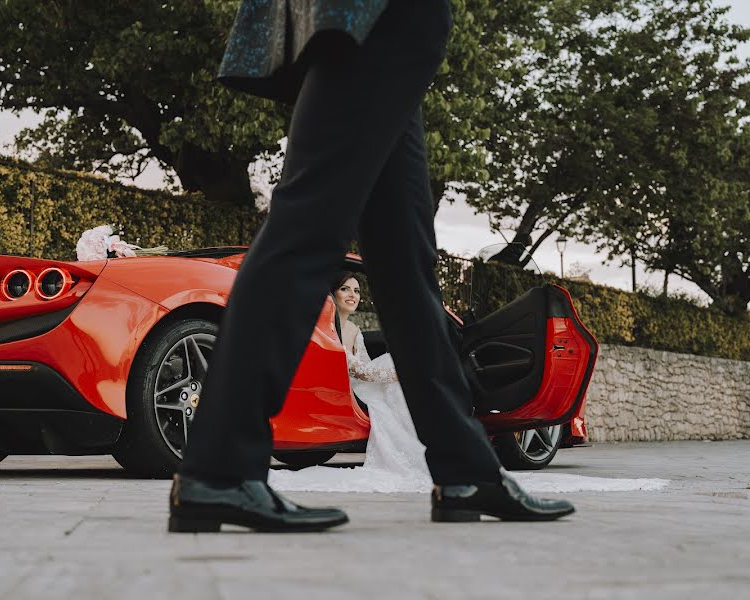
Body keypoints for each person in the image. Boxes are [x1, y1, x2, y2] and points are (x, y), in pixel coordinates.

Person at [169, 0, 575, 533]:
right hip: (379, 15)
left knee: (407, 264)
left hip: (377, 17)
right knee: (308, 225)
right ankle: (219, 466)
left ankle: (467, 469)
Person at [269, 273, 432, 493]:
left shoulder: (355, 331)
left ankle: (421, 444)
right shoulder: (327, 330)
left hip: (359, 383)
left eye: (356, 291)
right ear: (333, 295)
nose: (352, 295)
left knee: (393, 367)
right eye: (345, 289)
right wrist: (400, 373)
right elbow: (361, 372)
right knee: (395, 370)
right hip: (342, 387)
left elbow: (366, 366)